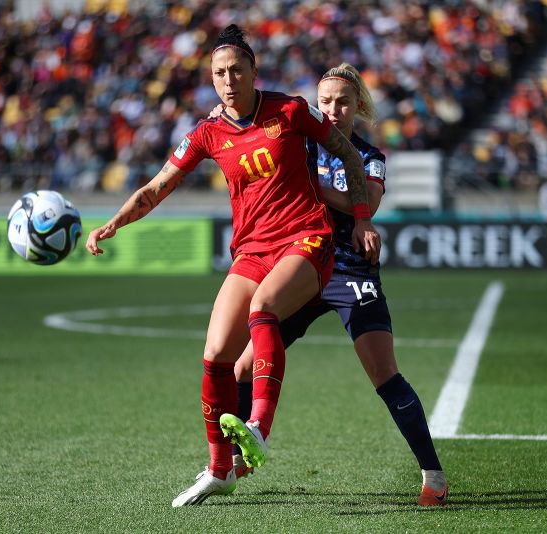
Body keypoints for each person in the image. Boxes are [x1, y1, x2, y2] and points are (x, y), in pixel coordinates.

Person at [85, 26, 380, 507]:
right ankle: (220, 469)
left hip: (307, 237)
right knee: (216, 353)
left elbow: (347, 152)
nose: (227, 80)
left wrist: (362, 217)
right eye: (219, 73)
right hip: (251, 250)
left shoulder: (290, 110)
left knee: (262, 309)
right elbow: (157, 187)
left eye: (236, 70)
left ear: (253, 72)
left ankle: (258, 427)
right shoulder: (208, 132)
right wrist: (114, 223)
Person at [229, 63, 448, 506]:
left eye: (342, 101)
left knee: (385, 376)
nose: (332, 110)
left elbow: (361, 200)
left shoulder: (370, 158)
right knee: (241, 368)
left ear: (358, 106)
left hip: (351, 272)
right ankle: (240, 456)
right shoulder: (298, 144)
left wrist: (311, 185)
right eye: (324, 101)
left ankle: (433, 475)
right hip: (302, 267)